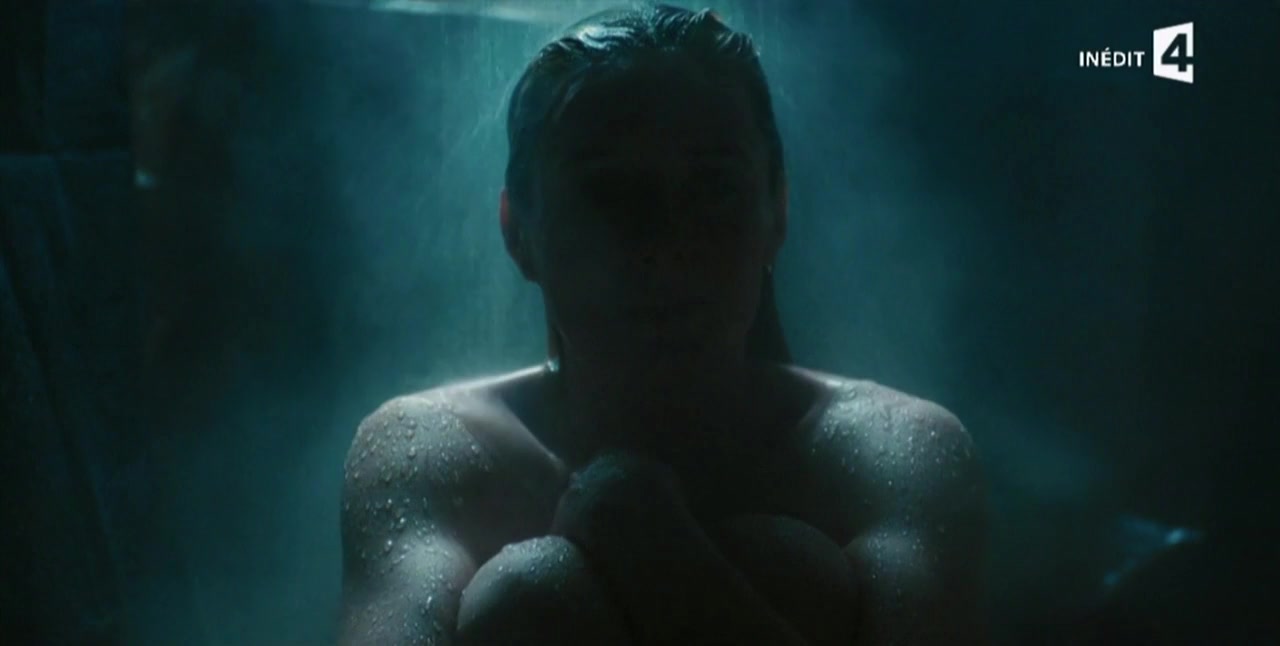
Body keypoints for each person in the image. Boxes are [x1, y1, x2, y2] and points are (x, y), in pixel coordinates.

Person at [338, 5, 987, 644]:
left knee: (788, 570)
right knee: (534, 589)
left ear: (777, 214)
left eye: (714, 189)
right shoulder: (439, 452)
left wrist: (646, 542)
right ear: (518, 233)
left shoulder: (889, 449)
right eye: (607, 195)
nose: (667, 249)